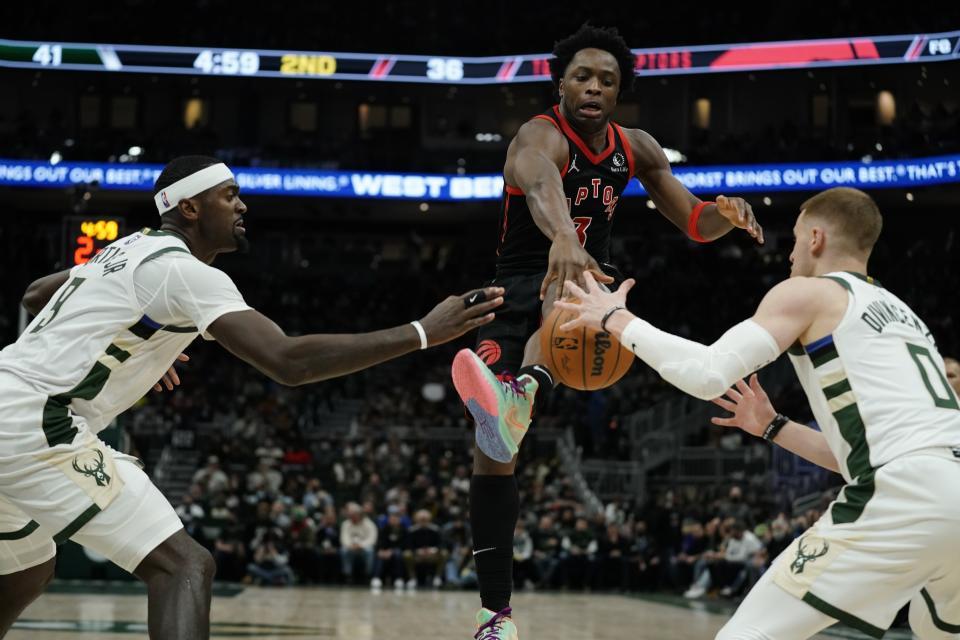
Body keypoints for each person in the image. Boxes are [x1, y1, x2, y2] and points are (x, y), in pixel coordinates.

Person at [0, 155, 504, 639]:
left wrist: (135, 343)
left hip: (9, 399)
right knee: (184, 567)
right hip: (36, 422)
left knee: (28, 566)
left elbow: (36, 294)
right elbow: (287, 361)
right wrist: (421, 331)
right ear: (189, 208)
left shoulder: (124, 248)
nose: (242, 206)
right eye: (229, 195)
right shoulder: (185, 270)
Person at [451, 24, 762, 639]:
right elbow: (539, 181)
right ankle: (497, 619)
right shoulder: (538, 134)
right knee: (491, 461)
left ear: (620, 92)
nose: (594, 87)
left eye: (607, 80)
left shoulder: (637, 146)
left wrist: (725, 215)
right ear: (560, 83)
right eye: (582, 77)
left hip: (589, 290)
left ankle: (523, 392)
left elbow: (694, 222)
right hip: (514, 283)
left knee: (569, 288)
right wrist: (563, 233)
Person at [557, 186, 960, 639]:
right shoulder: (904, 315)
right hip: (948, 485)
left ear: (815, 239)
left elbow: (708, 373)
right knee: (937, 630)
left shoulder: (810, 293)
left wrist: (615, 318)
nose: (789, 254)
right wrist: (773, 425)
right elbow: (864, 452)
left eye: (792, 239)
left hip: (906, 493)